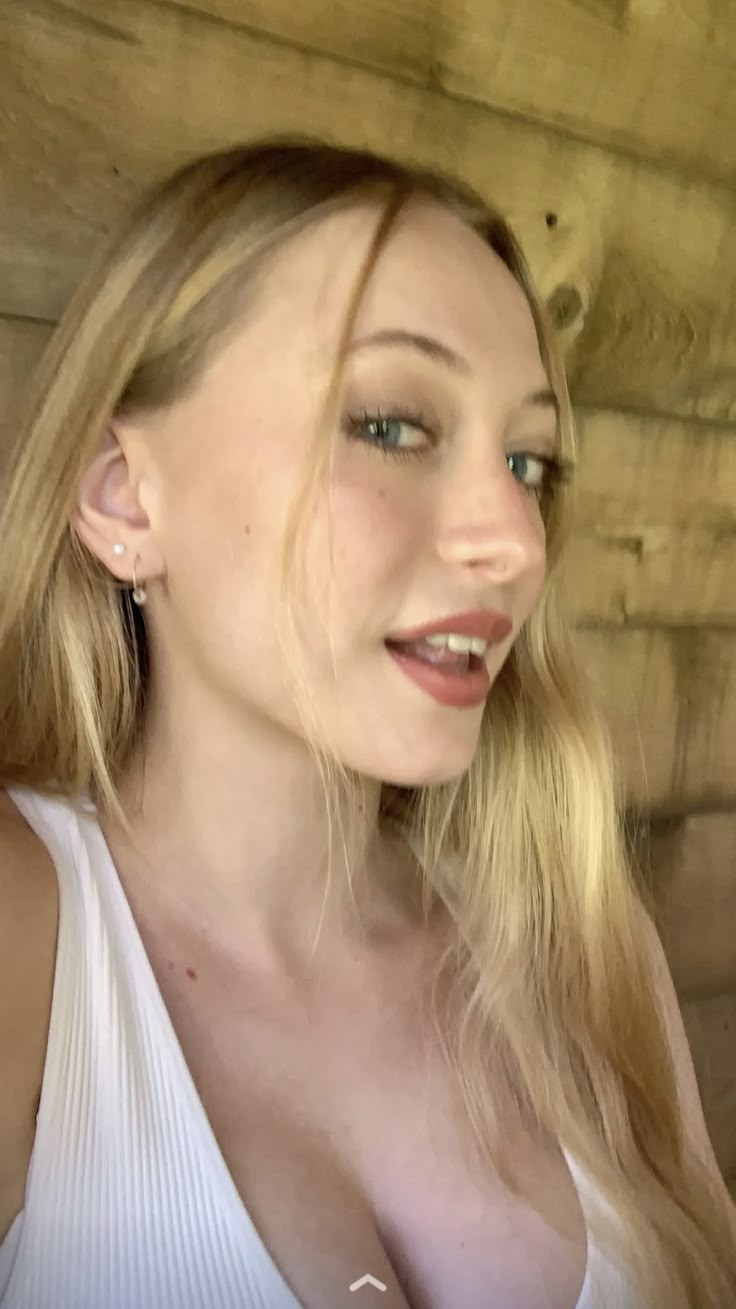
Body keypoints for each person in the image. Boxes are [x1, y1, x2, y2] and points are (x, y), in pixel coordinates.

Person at [0, 137, 733, 1309]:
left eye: (529, 460)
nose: (515, 541)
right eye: (391, 425)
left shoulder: (582, 955)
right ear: (124, 497)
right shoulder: (26, 939)